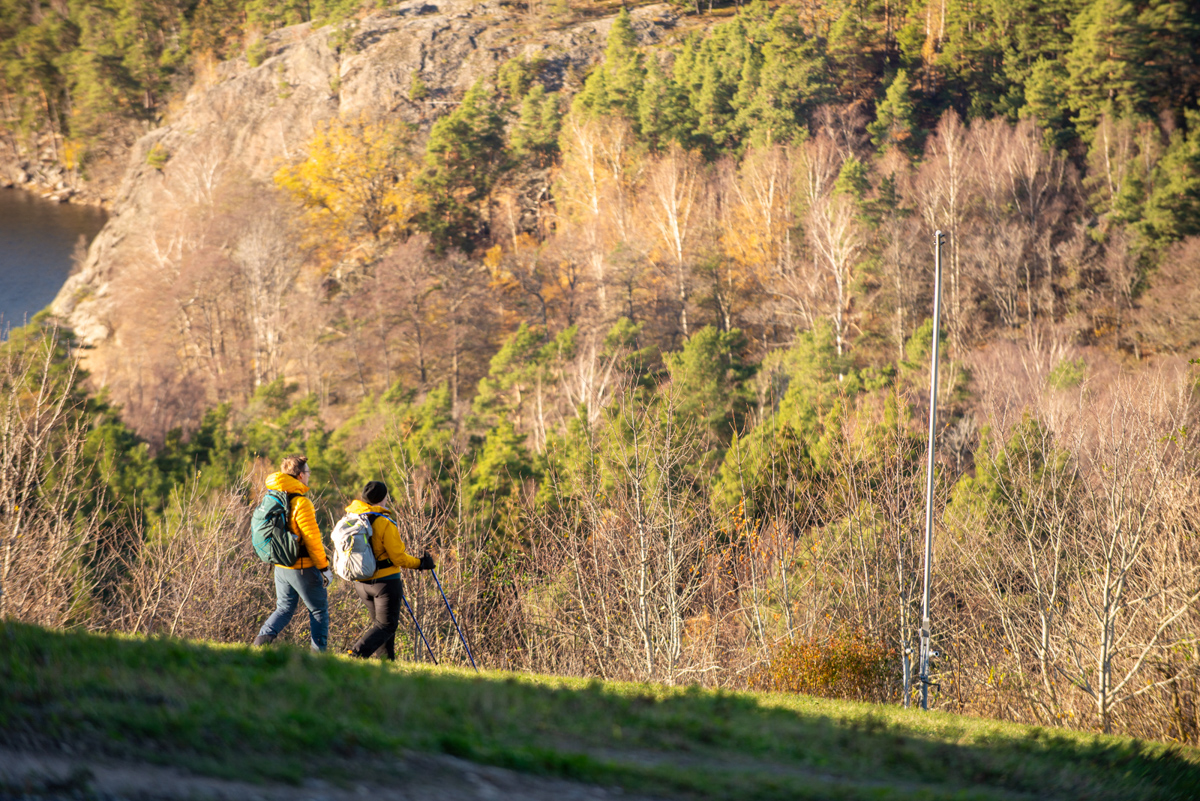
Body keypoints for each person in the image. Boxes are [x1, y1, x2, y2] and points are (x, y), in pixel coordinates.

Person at [344, 480, 434, 660]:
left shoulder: (352, 518)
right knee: (386, 626)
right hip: (385, 583)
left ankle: (387, 664)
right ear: (383, 498)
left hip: (361, 582)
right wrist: (421, 563)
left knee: (380, 627)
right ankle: (356, 654)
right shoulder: (385, 523)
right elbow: (398, 558)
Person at [252, 455, 332, 651]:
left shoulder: (273, 497)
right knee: (318, 611)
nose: (309, 476)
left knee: (284, 609)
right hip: (302, 567)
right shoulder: (301, 503)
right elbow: (312, 540)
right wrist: (324, 567)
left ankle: (260, 644)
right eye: (308, 472)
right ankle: (318, 657)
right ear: (301, 475)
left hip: (281, 566)